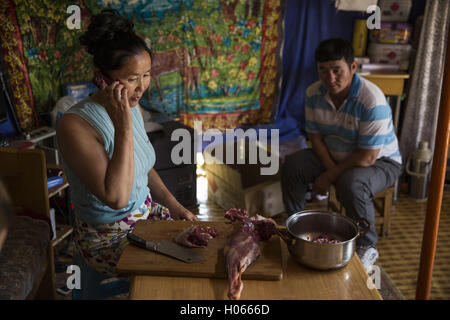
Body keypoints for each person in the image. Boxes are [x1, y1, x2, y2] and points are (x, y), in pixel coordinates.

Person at [56, 9, 198, 285]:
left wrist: (175, 206)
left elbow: (142, 168)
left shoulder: (130, 105)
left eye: (146, 75)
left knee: (202, 251)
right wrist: (122, 124)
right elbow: (117, 197)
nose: (142, 87)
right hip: (106, 238)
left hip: (145, 217)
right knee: (179, 278)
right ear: (102, 77)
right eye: (132, 78)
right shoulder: (74, 125)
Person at [281, 38, 402, 272]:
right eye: (323, 71)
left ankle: (368, 246)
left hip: (381, 161)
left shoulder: (371, 99)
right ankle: (296, 228)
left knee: (352, 183)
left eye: (337, 70)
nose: (331, 78)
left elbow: (367, 157)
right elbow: (315, 138)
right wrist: (329, 170)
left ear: (353, 67)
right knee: (293, 165)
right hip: (334, 154)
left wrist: (328, 177)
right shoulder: (313, 93)